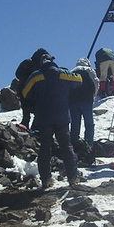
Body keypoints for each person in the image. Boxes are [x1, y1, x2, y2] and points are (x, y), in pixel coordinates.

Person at [22, 50, 83, 188]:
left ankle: (46, 180)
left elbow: (26, 93)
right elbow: (79, 80)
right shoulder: (62, 73)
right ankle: (73, 177)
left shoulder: (36, 76)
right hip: (62, 117)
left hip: (44, 118)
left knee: (45, 148)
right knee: (66, 147)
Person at [69, 58, 99, 146]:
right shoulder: (89, 70)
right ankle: (89, 144)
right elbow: (95, 83)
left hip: (73, 101)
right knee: (89, 124)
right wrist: (94, 94)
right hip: (87, 100)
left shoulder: (72, 71)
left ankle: (74, 143)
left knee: (75, 124)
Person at [15, 57, 37, 129]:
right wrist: (29, 81)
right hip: (24, 90)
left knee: (34, 112)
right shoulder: (28, 63)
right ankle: (26, 126)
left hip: (32, 92)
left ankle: (33, 128)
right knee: (26, 110)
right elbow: (18, 74)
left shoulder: (38, 65)